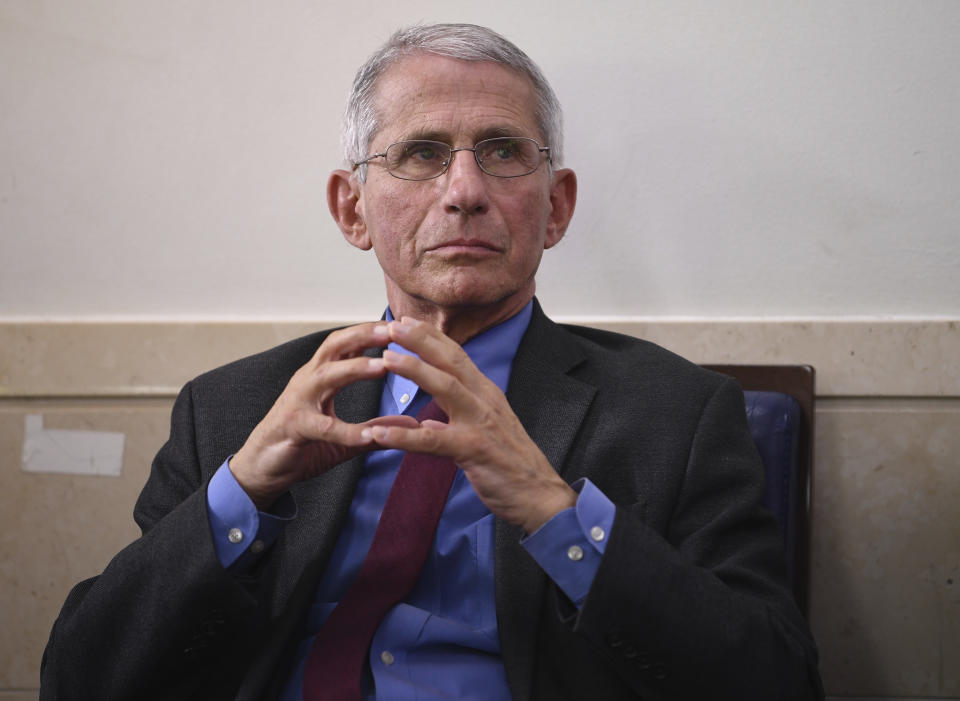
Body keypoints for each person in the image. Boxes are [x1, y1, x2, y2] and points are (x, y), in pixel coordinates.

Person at [40, 23, 824, 701]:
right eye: (420, 153)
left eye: (503, 151)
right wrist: (240, 496)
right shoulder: (230, 410)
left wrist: (560, 514)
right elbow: (81, 678)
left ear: (555, 208)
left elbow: (775, 679)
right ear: (353, 208)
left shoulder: (677, 416)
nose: (464, 190)